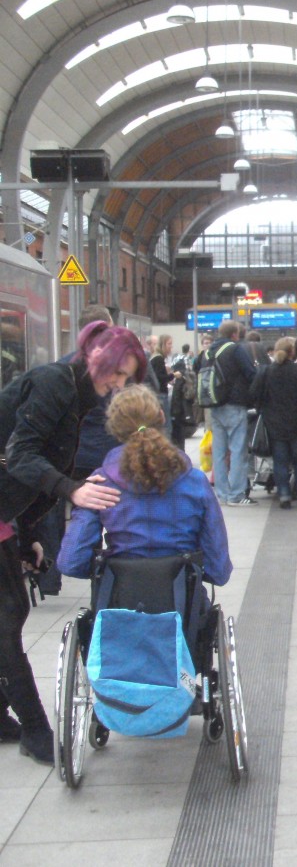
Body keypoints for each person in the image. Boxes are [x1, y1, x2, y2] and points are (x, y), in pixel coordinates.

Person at [0, 321, 146, 765]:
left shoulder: (72, 395)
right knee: (5, 621)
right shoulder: (53, 383)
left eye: (127, 379)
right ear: (95, 359)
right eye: (116, 374)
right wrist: (73, 490)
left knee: (14, 611)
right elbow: (21, 454)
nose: (117, 386)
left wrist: (25, 538)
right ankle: (36, 729)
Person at [58, 384, 233, 612]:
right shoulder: (195, 482)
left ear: (113, 429)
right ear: (161, 416)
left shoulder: (100, 484)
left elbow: (71, 561)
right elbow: (218, 570)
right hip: (183, 607)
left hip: (118, 605)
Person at [34, 303, 119, 597]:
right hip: (108, 457)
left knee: (56, 513)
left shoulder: (62, 366)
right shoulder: (120, 369)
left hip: (70, 457)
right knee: (111, 516)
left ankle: (51, 575)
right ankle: (101, 572)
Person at [251, 337, 297, 509]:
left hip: (275, 424)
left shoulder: (266, 371)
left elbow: (254, 393)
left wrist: (263, 409)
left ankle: (284, 496)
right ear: (292, 352)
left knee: (280, 461)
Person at [202, 320, 259, 506]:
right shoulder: (235, 349)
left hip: (214, 406)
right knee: (237, 450)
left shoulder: (208, 350)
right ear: (235, 334)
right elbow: (251, 373)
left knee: (218, 451)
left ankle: (222, 493)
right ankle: (236, 495)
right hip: (234, 404)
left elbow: (197, 368)